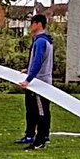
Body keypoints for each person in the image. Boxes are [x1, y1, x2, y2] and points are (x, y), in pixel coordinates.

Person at [16, 13, 54, 150]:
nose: (31, 26)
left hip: (39, 83)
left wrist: (28, 80)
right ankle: (43, 137)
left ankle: (39, 141)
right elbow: (40, 62)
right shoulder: (47, 40)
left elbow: (38, 62)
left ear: (38, 24)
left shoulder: (40, 41)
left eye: (32, 23)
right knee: (43, 110)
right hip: (44, 80)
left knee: (40, 112)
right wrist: (29, 69)